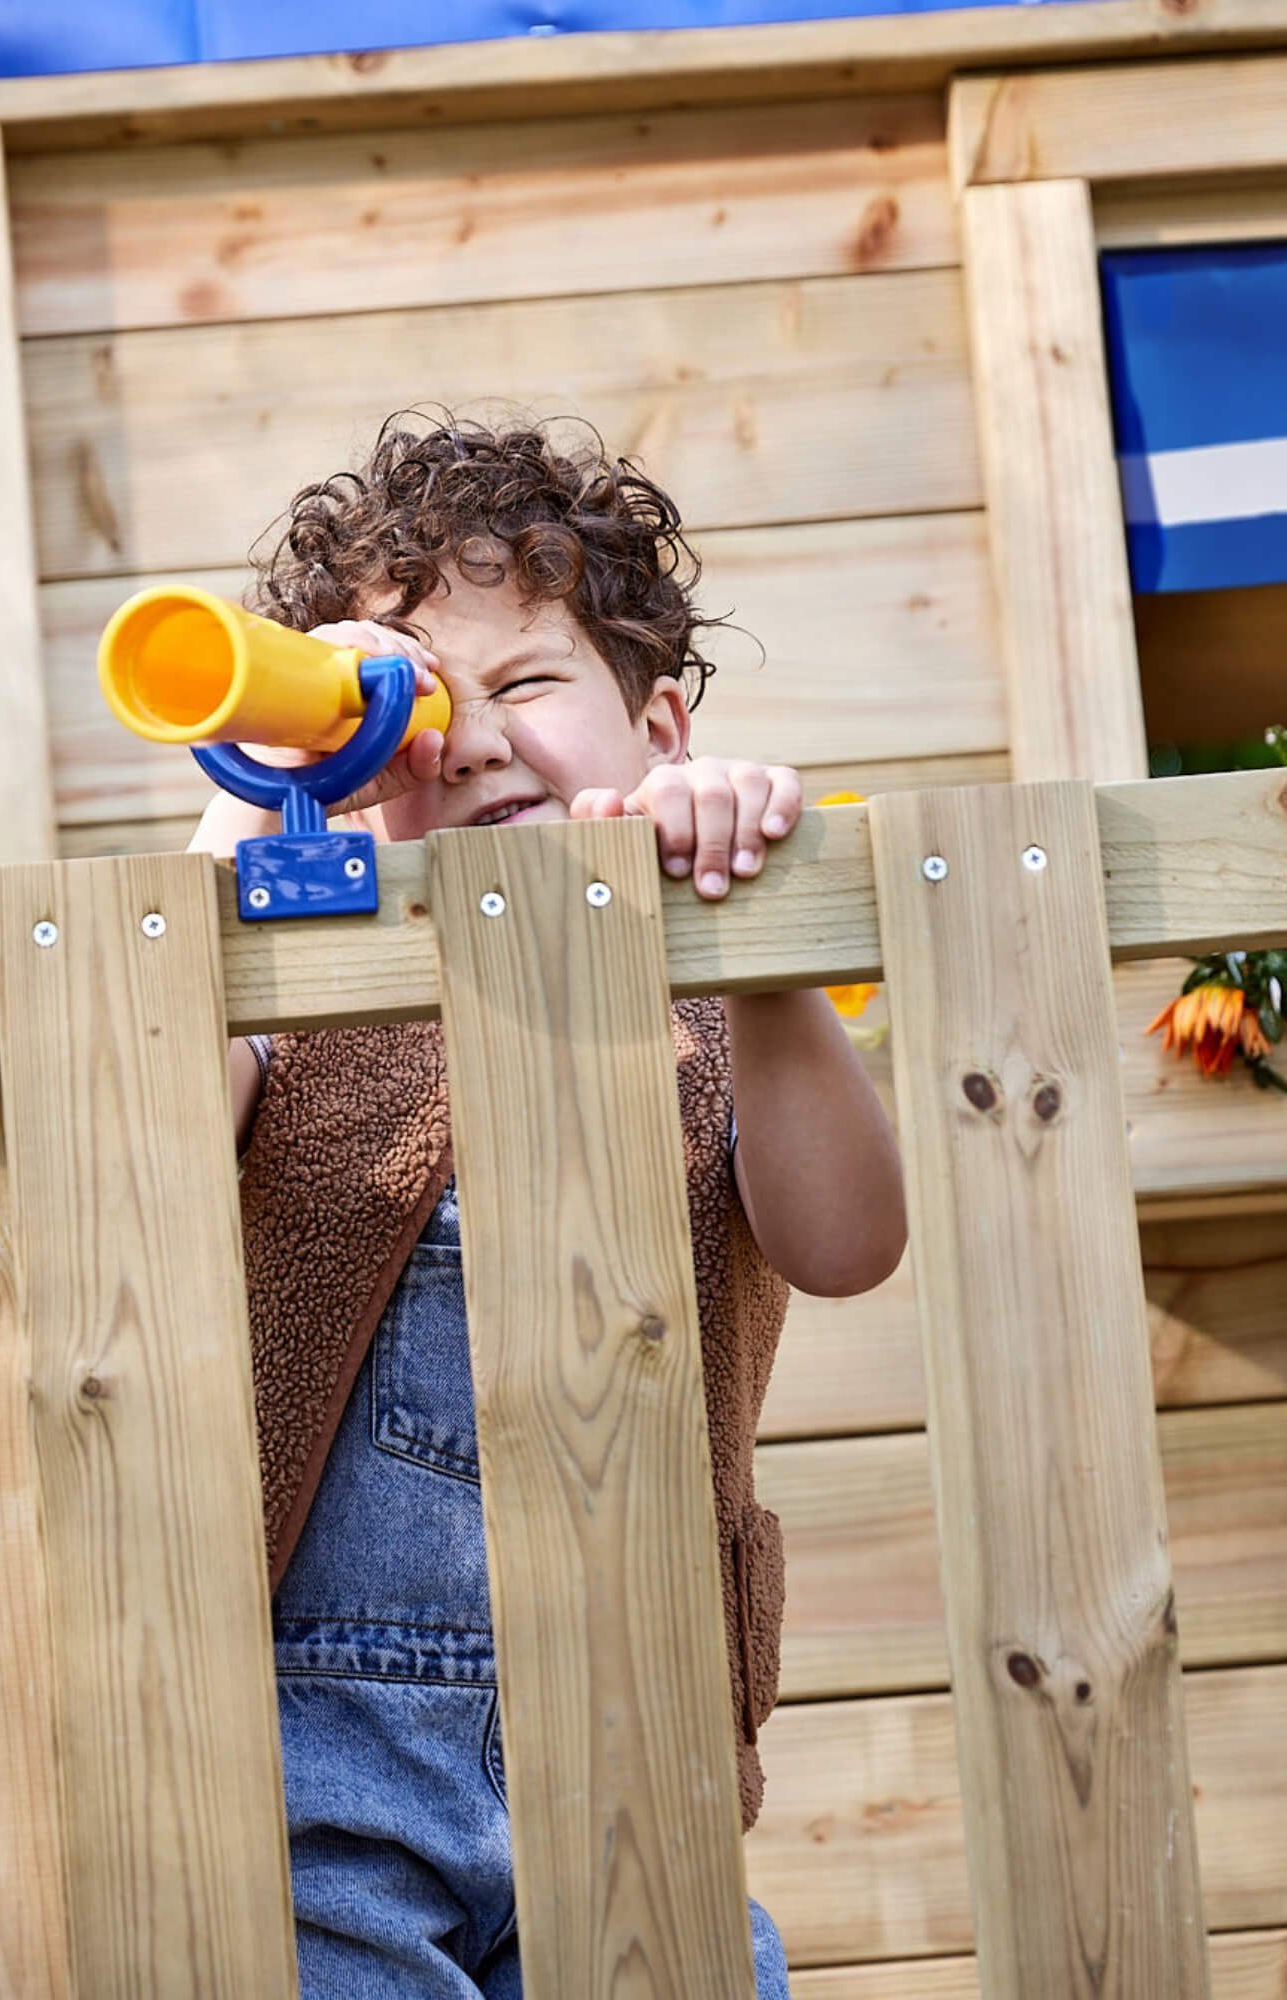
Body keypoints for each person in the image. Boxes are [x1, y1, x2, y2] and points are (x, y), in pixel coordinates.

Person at [187, 410, 909, 1998]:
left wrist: (760, 944)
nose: (475, 739)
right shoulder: (295, 1000)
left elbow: (848, 1243)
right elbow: (141, 1162)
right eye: (410, 712)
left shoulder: (704, 994)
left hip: (633, 1700)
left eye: (522, 684)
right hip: (311, 1740)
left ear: (660, 728)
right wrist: (241, 827)